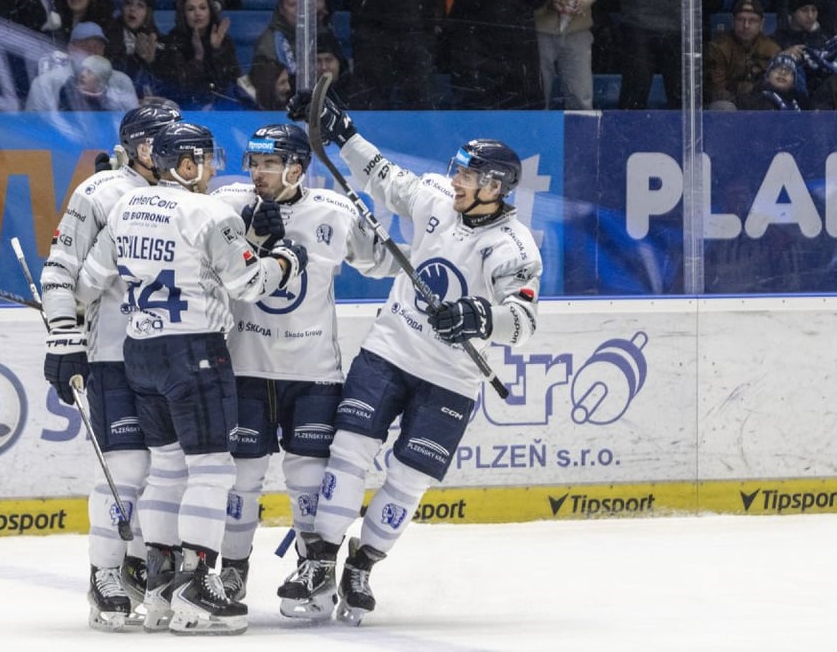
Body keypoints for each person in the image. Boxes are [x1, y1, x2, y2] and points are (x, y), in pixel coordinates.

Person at [275, 90, 542, 624]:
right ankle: (319, 562)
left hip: (451, 378)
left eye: (468, 176)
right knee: (348, 452)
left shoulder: (515, 247)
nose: (456, 180)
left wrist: (478, 316)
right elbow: (382, 176)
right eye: (457, 171)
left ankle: (360, 567)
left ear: (494, 187)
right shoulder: (436, 198)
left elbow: (524, 322)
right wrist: (343, 132)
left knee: (409, 479)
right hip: (389, 352)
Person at [73, 121, 309, 636]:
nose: (211, 168)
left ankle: (160, 585)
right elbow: (248, 283)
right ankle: (197, 584)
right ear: (184, 164)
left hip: (139, 353)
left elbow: (87, 282)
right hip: (194, 352)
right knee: (211, 470)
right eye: (204, 158)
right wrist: (286, 260)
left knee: (165, 468)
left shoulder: (126, 206)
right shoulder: (209, 211)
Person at [209, 123, 398, 610]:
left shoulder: (335, 211)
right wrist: (247, 235)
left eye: (270, 164)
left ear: (297, 168)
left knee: (309, 480)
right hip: (246, 367)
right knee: (241, 480)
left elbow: (383, 262)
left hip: (313, 373)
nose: (258, 173)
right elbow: (202, 264)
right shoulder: (227, 203)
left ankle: (315, 569)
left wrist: (379, 222)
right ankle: (232, 572)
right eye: (254, 163)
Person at [41, 103, 181, 631]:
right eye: (160, 140)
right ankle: (105, 573)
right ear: (140, 146)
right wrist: (64, 338)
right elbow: (61, 270)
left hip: (175, 356)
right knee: (127, 469)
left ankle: (144, 564)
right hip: (114, 355)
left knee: (171, 472)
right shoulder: (99, 192)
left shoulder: (190, 192)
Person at [155, 0, 244, 109]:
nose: (197, 13)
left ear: (210, 12)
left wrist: (216, 50)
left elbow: (232, 80)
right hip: (185, 108)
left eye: (202, 8)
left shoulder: (223, 39)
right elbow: (178, 87)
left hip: (219, 108)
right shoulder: (173, 41)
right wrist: (197, 58)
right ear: (183, 15)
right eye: (191, 9)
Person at [25, 22, 137, 111]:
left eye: (97, 46)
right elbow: (32, 126)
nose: (92, 51)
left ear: (103, 51)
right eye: (84, 46)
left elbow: (135, 123)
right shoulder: (44, 83)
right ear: (70, 49)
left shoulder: (122, 82)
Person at [704, 0, 784, 109]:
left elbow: (777, 87)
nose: (746, 25)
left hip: (761, 103)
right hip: (731, 103)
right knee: (724, 107)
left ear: (762, 24)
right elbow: (716, 89)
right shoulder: (718, 47)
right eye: (741, 19)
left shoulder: (772, 49)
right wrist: (745, 98)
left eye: (752, 20)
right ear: (733, 22)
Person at [104, 0, 165, 96]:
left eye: (140, 5)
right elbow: (110, 74)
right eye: (128, 3)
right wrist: (136, 58)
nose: (132, 9)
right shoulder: (109, 36)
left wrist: (152, 62)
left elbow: (164, 82)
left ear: (148, 13)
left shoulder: (159, 40)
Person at [734, 51, 812, 110]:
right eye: (777, 69)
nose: (783, 73)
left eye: (788, 71)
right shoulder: (757, 100)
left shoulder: (801, 103)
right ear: (767, 77)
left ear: (793, 82)